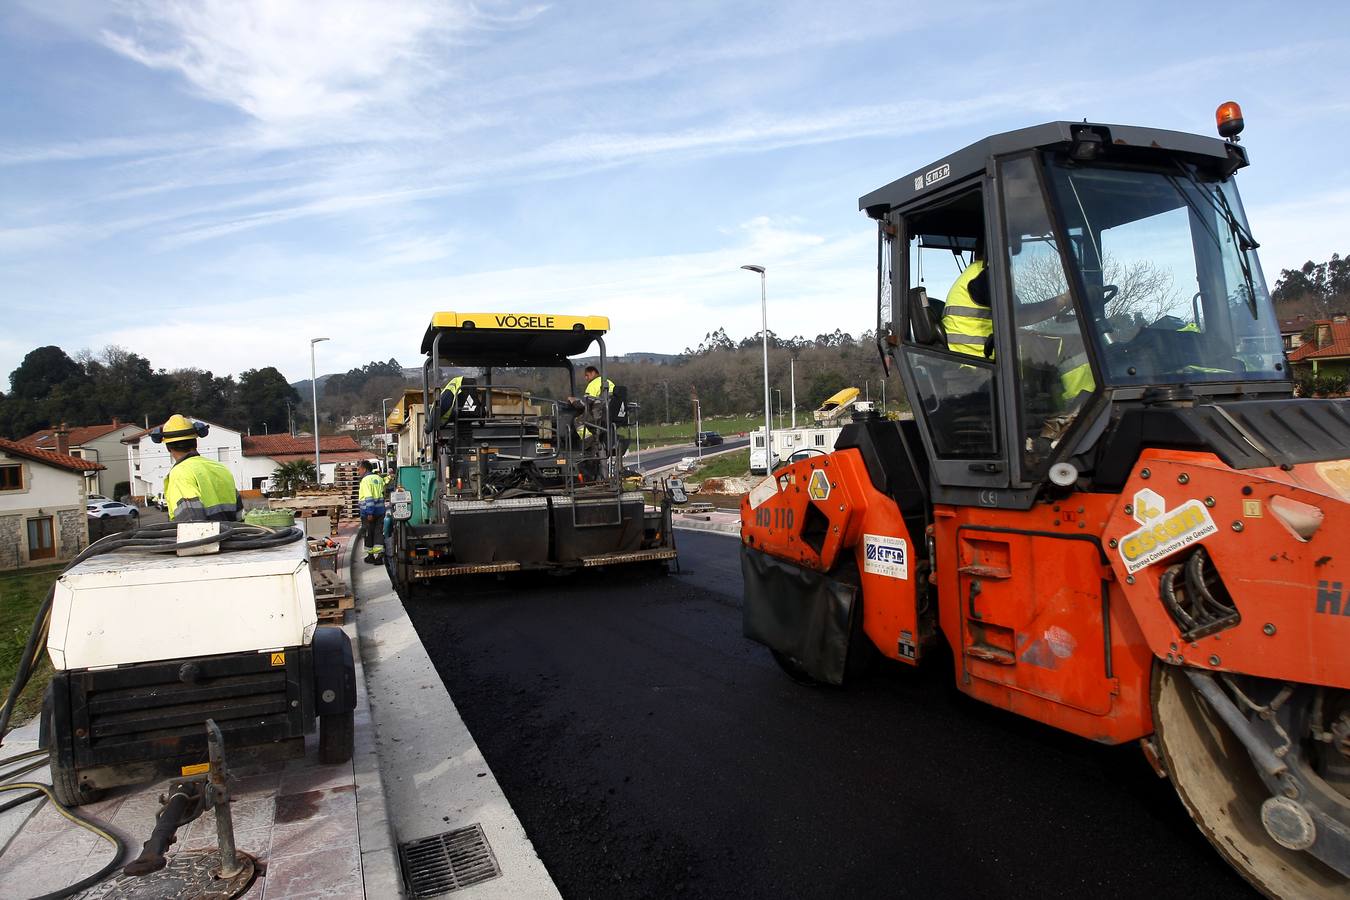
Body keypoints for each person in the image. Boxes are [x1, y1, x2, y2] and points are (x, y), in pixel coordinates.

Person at [151, 414, 242, 522]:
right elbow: (239, 516)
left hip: (206, 538)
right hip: (233, 537)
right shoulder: (220, 468)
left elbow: (192, 523)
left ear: (168, 447)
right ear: (196, 442)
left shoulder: (180, 474)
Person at [357, 460, 386, 564]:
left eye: (359, 469)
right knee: (379, 532)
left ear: (364, 469)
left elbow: (369, 497)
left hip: (369, 512)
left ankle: (370, 556)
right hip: (380, 510)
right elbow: (382, 493)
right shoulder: (378, 478)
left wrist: (369, 512)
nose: (358, 472)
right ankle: (380, 556)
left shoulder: (365, 481)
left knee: (369, 533)